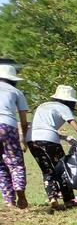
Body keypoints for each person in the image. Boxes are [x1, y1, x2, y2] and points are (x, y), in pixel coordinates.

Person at [28, 85, 77, 211]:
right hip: (49, 140)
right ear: (69, 101)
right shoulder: (64, 108)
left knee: (47, 170)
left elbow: (42, 128)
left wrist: (63, 137)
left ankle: (52, 197)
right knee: (63, 169)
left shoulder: (43, 106)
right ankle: (69, 201)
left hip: (32, 139)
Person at [0, 62, 29, 209]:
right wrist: (23, 138)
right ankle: (20, 193)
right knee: (16, 163)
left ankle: (9, 200)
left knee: (0, 166)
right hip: (8, 126)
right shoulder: (16, 92)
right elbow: (23, 120)